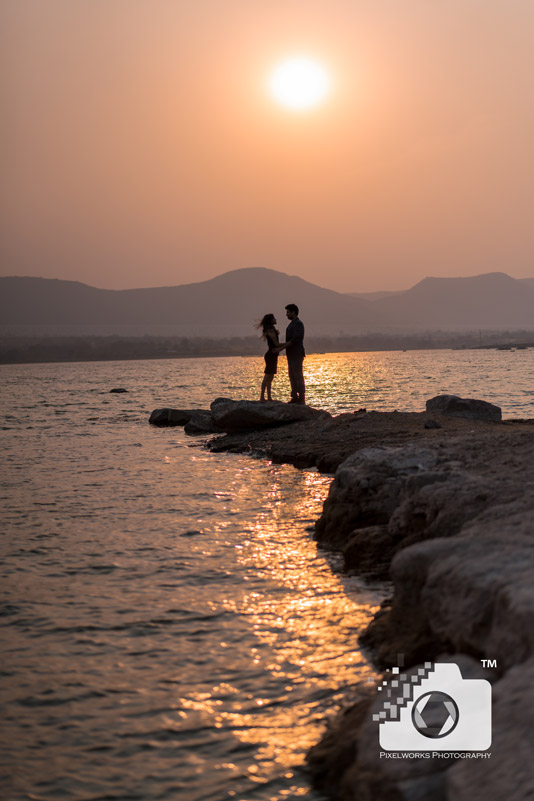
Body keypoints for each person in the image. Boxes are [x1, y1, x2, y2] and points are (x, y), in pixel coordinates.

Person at [276, 303, 306, 404]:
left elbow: (294, 340)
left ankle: (301, 397)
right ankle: (294, 397)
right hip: (291, 354)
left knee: (297, 375)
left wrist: (281, 348)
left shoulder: (298, 324)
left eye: (288, 312)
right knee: (292, 376)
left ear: (293, 312)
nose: (286, 314)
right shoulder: (292, 324)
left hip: (297, 354)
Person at [255, 313, 280, 402]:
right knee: (267, 376)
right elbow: (276, 344)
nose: (276, 319)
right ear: (271, 320)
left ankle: (269, 397)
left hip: (273, 355)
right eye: (274, 318)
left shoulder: (271, 330)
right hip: (271, 355)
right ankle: (262, 397)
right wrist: (289, 344)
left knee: (270, 377)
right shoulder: (270, 331)